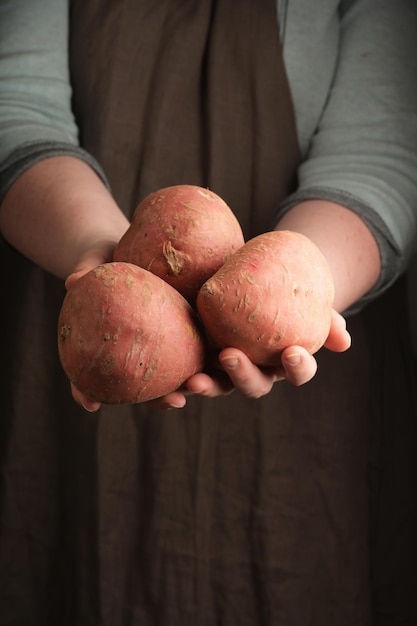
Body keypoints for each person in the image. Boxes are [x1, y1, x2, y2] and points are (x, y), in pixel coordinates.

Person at [0, 0, 416, 624]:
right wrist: (96, 258)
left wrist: (300, 290)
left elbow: (384, 147)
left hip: (315, 395)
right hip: (83, 320)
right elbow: (15, 104)